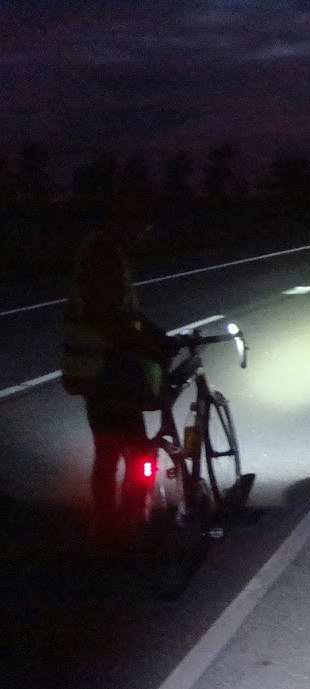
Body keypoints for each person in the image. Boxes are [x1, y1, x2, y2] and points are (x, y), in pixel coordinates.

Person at [61, 195, 173, 547]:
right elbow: (107, 318)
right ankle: (127, 525)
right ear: (123, 220)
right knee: (134, 450)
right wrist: (149, 346)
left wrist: (155, 334)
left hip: (100, 370)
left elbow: (124, 312)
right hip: (106, 372)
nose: (142, 234)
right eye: (140, 226)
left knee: (109, 451)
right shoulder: (103, 254)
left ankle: (108, 527)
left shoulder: (105, 250)